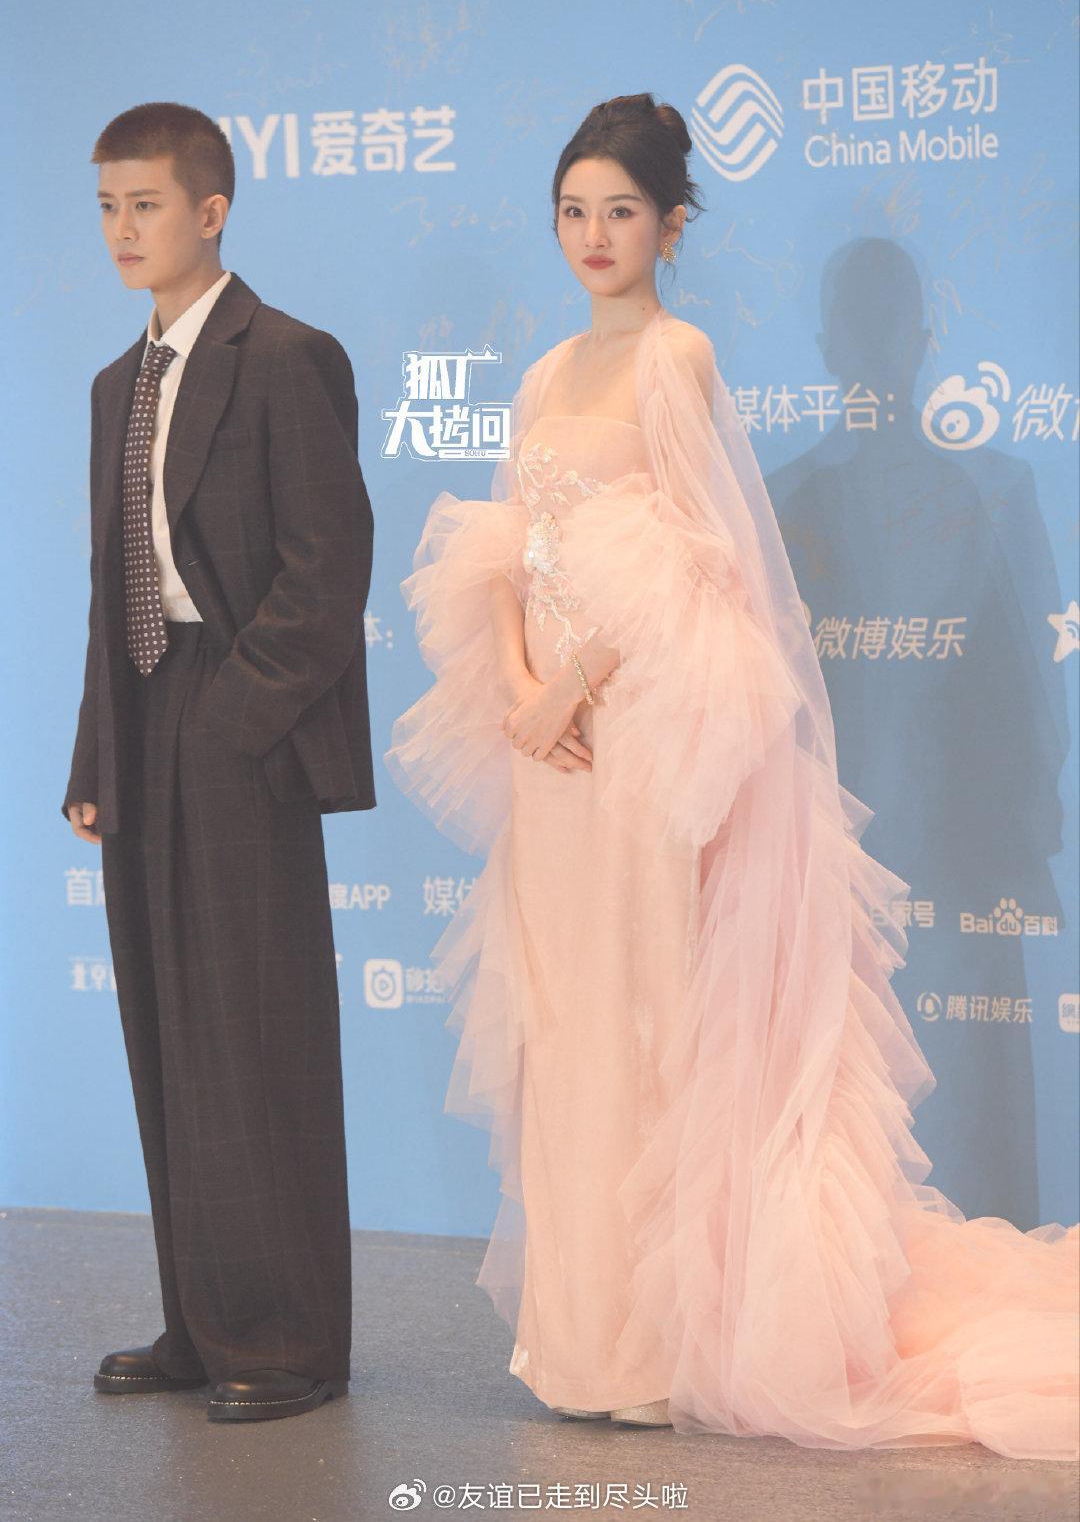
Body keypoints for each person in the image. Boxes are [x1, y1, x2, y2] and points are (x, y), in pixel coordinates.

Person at [385, 92, 1079, 1457]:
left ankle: (659, 1345)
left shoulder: (677, 358)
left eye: (621, 212)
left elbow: (702, 565)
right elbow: (505, 551)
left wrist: (575, 688)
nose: (594, 236)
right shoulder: (544, 374)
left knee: (651, 1025)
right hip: (546, 758)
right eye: (573, 212)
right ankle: (580, 1341)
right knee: (567, 1034)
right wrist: (520, 690)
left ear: (671, 225)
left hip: (644, 747)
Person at [62, 101, 375, 1423]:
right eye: (107, 207)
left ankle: (288, 1340)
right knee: (166, 1030)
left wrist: (230, 723)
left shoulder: (287, 357)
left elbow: (327, 573)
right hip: (142, 714)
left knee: (256, 1032)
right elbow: (111, 587)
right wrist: (99, 750)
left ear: (212, 210)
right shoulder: (114, 384)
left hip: (239, 715)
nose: (122, 230)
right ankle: (199, 1322)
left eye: (146, 204)